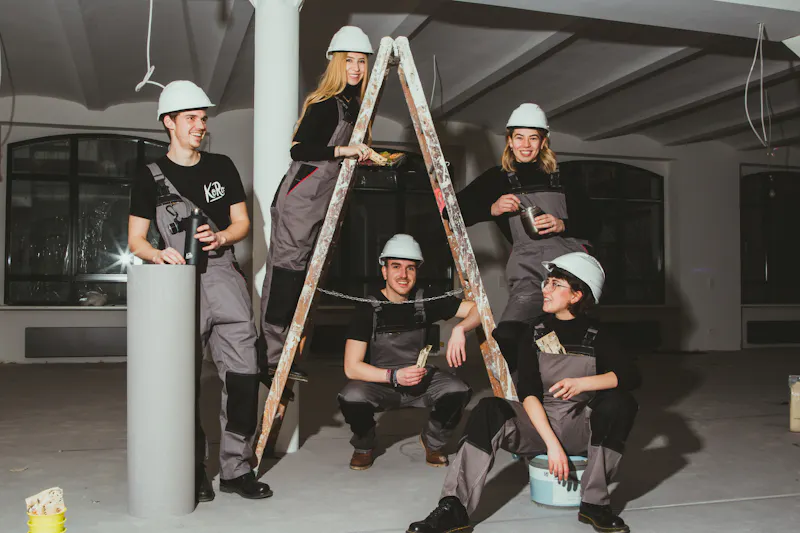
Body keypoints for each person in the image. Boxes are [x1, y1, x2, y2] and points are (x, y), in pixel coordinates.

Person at [408, 252, 640, 533]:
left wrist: (583, 384)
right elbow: (528, 391)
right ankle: (454, 506)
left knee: (621, 402)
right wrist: (552, 445)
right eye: (547, 282)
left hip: (583, 425)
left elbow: (630, 376)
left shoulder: (599, 334)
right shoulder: (535, 332)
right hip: (538, 422)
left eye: (556, 284)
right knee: (489, 408)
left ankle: (595, 503)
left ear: (577, 295)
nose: (545, 289)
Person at [128, 80, 271, 502]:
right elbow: (136, 239)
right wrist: (158, 255)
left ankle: (235, 469)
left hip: (224, 275)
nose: (200, 125)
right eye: (191, 118)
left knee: (244, 375)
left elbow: (243, 223)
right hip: (177, 284)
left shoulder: (221, 166)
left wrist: (223, 237)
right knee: (179, 381)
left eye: (203, 118)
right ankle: (188, 469)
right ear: (168, 123)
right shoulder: (148, 176)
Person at [259, 26, 375, 385]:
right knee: (287, 277)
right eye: (348, 60)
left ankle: (286, 355)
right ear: (336, 63)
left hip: (322, 201)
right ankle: (269, 359)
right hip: (302, 198)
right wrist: (344, 150)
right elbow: (298, 150)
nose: (355, 68)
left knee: (304, 280)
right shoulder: (326, 103)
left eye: (360, 61)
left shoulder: (354, 106)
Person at [451, 103, 599, 374]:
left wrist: (562, 223)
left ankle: (561, 389)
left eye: (533, 138)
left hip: (569, 269)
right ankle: (533, 382)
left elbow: (596, 222)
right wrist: (491, 209)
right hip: (528, 269)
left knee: (572, 343)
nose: (526, 145)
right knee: (507, 334)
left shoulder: (565, 176)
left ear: (544, 141)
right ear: (509, 140)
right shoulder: (496, 180)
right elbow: (449, 212)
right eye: (519, 137)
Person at [338, 234, 480, 470]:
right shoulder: (368, 309)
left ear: (417, 272)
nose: (403, 275)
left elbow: (477, 309)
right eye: (396, 267)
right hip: (381, 383)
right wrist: (393, 376)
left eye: (410, 268)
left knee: (459, 390)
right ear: (384, 271)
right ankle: (364, 444)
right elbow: (351, 366)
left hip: (420, 380)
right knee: (351, 396)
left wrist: (460, 329)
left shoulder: (425, 300)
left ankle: (433, 442)